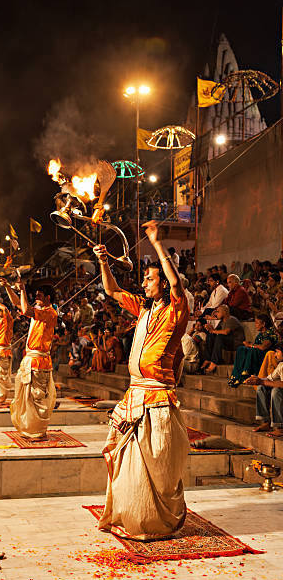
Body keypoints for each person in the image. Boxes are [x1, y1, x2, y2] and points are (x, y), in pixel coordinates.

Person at [93, 220, 190, 540]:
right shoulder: (144, 309)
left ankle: (158, 520)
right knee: (126, 461)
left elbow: (176, 285)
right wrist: (103, 261)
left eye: (150, 279)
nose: (145, 283)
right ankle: (134, 515)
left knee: (157, 468)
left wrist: (156, 243)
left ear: (163, 282)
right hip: (134, 397)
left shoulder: (177, 308)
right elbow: (111, 290)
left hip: (157, 400)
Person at [4, 282, 57, 440]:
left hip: (39, 362)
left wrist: (22, 289)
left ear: (48, 298)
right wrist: (7, 286)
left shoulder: (50, 313)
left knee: (37, 397)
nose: (36, 298)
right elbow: (18, 303)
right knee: (26, 396)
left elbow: (26, 309)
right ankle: (30, 429)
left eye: (39, 296)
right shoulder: (39, 310)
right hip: (30, 360)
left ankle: (38, 431)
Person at [228, 314, 278, 387]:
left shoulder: (269, 333)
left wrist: (250, 345)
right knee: (241, 349)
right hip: (257, 354)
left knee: (253, 350)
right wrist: (249, 345)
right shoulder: (261, 333)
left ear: (263, 324)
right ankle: (236, 376)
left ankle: (246, 373)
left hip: (265, 356)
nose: (255, 325)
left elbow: (263, 347)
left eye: (257, 323)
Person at [246, 344, 283, 438]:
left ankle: (280, 427)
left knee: (276, 391)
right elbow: (269, 379)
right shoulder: (281, 365)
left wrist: (261, 381)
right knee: (261, 387)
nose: (275, 355)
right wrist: (256, 379)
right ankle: (266, 422)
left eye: (277, 352)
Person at [200, 305, 244, 373]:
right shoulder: (222, 321)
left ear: (224, 312)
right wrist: (210, 328)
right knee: (210, 336)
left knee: (219, 337)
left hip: (236, 342)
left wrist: (213, 331)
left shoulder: (231, 319)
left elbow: (226, 332)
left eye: (218, 311)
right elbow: (214, 332)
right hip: (228, 341)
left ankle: (214, 362)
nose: (216, 313)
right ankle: (208, 359)